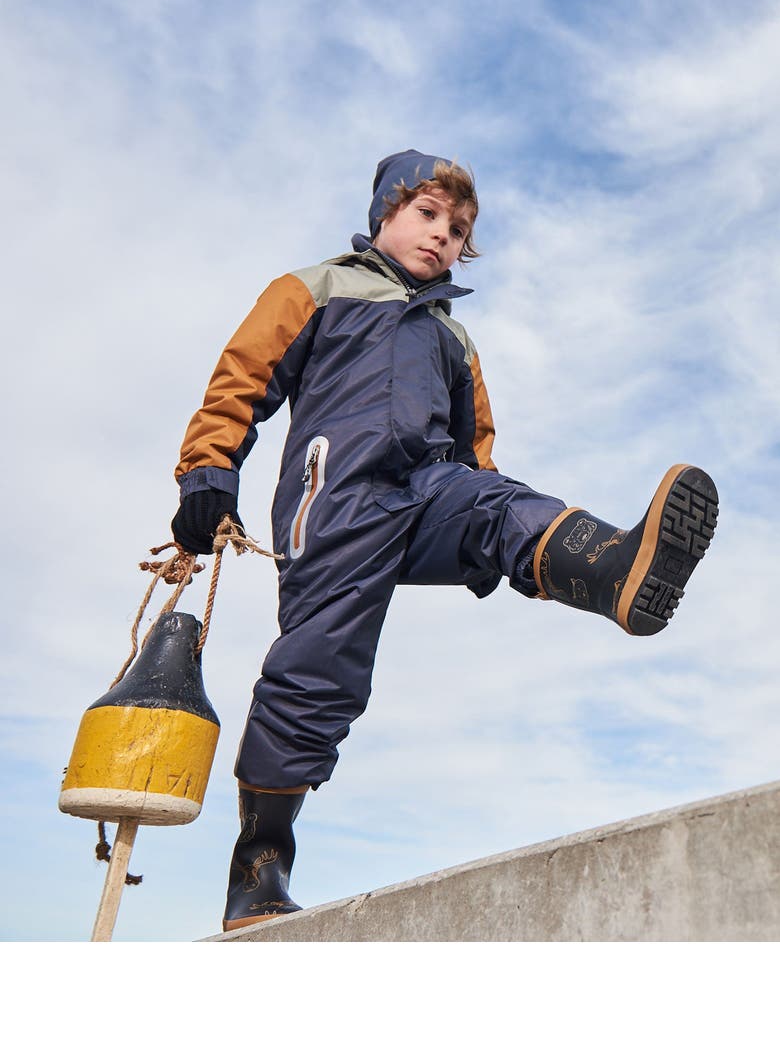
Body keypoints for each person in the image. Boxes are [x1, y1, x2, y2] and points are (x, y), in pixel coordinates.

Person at [171, 149, 719, 931]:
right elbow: (242, 379)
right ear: (385, 214)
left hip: (428, 492)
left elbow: (477, 445)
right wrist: (208, 472)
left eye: (459, 229)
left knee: (497, 501)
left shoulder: (453, 339)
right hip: (337, 502)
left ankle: (613, 570)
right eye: (428, 215)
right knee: (319, 673)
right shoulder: (316, 289)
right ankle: (259, 866)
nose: (442, 236)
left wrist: (481, 523)